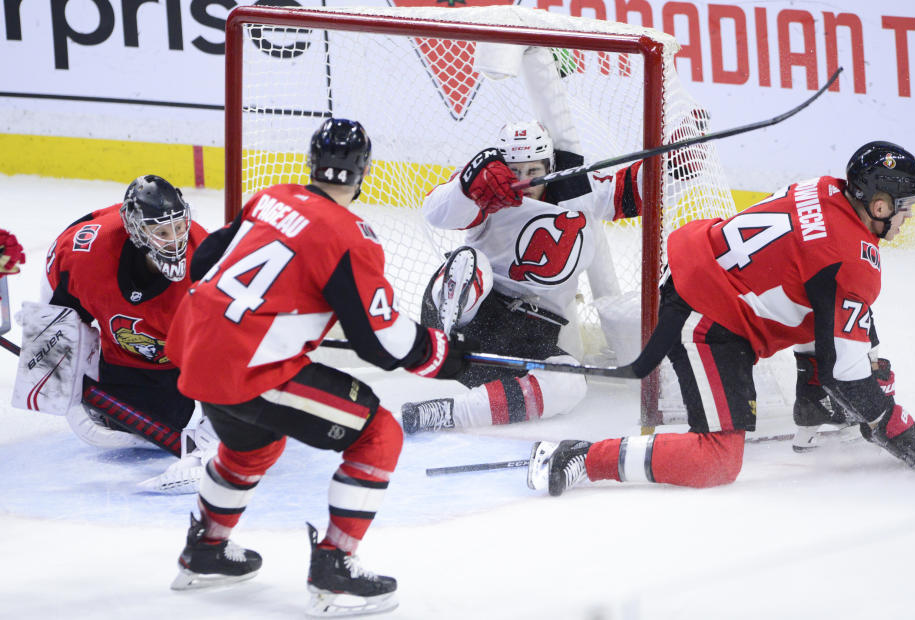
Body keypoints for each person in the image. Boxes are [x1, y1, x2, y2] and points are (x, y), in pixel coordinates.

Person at [163, 118, 470, 616]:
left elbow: (206, 263)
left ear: (311, 162)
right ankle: (335, 571)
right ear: (363, 172)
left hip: (196, 350)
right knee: (379, 435)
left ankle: (206, 551)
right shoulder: (351, 235)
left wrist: (286, 317)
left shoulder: (271, 197)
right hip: (250, 368)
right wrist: (436, 353)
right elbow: (378, 340)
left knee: (252, 447)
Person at [527, 140, 915, 497]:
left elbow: (821, 292)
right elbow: (847, 372)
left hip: (703, 268)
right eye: (905, 206)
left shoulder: (822, 187)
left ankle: (813, 404)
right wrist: (891, 423)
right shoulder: (852, 260)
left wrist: (851, 374)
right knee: (717, 460)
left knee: (837, 323)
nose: (908, 217)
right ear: (879, 205)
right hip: (707, 315)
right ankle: (580, 456)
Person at [400, 119, 650, 433]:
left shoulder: (580, 191)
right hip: (469, 315)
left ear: (550, 164)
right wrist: (466, 186)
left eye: (534, 171)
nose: (525, 181)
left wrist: (680, 165)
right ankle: (450, 329)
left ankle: (448, 413)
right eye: (515, 171)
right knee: (472, 263)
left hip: (523, 338)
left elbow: (637, 188)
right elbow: (435, 213)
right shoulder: (488, 189)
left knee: (571, 383)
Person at [38, 175, 213, 492]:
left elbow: (229, 354)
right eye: (161, 231)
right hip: (130, 358)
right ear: (136, 231)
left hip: (180, 360)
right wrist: (59, 379)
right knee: (127, 426)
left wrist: (216, 431)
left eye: (178, 227)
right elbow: (55, 308)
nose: (174, 240)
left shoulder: (207, 266)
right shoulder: (85, 254)